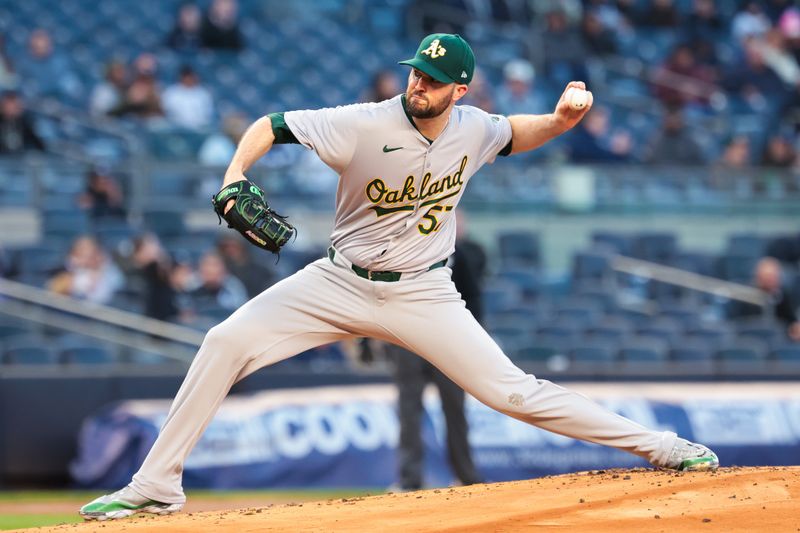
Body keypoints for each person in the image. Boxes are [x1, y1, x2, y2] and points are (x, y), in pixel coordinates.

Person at [80, 33, 718, 521]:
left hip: (423, 289)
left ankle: (662, 446)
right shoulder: (362, 122)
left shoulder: (473, 128)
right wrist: (234, 176)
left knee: (513, 393)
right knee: (223, 342)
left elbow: (513, 133)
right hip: (339, 281)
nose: (421, 84)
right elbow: (268, 127)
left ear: (459, 91)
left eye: (436, 79)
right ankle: (156, 485)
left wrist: (559, 122)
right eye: (418, 71)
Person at [389, 212, 485, 491]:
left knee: (455, 409)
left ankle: (466, 477)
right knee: (409, 411)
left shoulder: (458, 254)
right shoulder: (400, 250)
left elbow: (473, 297)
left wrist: (473, 341)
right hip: (407, 340)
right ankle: (410, 479)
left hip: (449, 341)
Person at [162, 65, 214, 130]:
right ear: (181, 77)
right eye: (187, 76)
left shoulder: (203, 93)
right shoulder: (171, 93)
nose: (189, 79)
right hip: (176, 129)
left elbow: (207, 114)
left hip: (199, 129)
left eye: (191, 76)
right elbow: (167, 112)